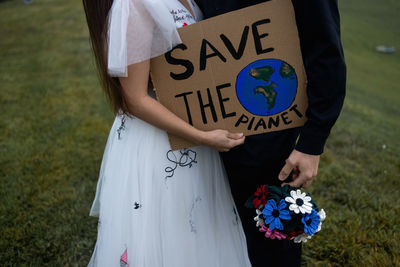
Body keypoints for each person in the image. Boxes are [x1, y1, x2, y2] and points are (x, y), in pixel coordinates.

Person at [82, 0, 252, 266]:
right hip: (160, 143)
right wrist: (201, 136)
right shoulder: (136, 6)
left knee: (200, 231)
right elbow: (135, 99)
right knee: (170, 233)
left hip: (194, 133)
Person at [194, 0, 347, 266]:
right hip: (203, 124)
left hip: (268, 133)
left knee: (267, 237)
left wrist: (312, 142)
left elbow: (325, 50)